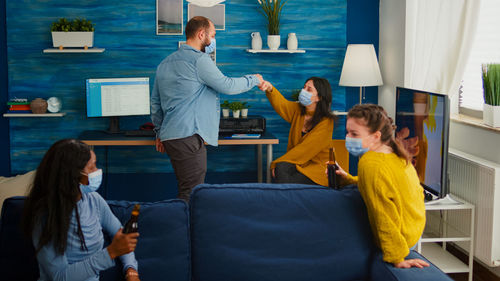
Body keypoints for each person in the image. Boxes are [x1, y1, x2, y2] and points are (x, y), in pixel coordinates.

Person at [151, 16, 264, 201]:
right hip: (188, 136)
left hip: (171, 137)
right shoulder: (199, 60)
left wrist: (159, 133)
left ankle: (187, 226)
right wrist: (254, 79)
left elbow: (155, 103)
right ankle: (186, 229)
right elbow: (227, 85)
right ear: (201, 34)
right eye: (212, 35)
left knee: (187, 189)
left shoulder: (164, 63)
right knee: (191, 193)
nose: (213, 40)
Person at [22, 139, 140, 281]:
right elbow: (59, 277)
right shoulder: (44, 216)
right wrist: (110, 253)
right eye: (92, 167)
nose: (97, 172)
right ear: (73, 176)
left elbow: (120, 235)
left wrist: (131, 269)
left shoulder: (94, 200)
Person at [335, 104, 429, 268]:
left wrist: (397, 258)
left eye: (354, 134)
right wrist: (349, 179)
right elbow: (384, 186)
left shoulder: (370, 164)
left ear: (376, 136)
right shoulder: (393, 153)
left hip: (401, 237)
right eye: (348, 132)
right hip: (414, 228)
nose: (348, 137)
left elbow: (383, 214)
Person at [259, 77, 336, 186]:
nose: (303, 91)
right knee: (281, 168)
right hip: (299, 163)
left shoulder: (326, 122)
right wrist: (270, 88)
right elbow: (282, 105)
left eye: (309, 89)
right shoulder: (298, 110)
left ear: (319, 97)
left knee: (280, 168)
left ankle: (286, 199)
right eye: (304, 87)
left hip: (319, 169)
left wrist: (275, 163)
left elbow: (305, 150)